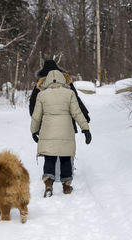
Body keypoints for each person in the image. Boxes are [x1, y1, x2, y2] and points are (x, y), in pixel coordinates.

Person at [30, 69, 92, 197]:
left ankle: (48, 184)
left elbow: (36, 116)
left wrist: (34, 131)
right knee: (65, 158)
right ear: (63, 79)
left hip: (47, 131)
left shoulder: (42, 94)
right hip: (66, 132)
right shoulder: (69, 93)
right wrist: (85, 129)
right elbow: (77, 113)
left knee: (49, 158)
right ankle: (66, 186)